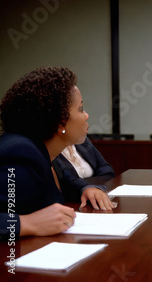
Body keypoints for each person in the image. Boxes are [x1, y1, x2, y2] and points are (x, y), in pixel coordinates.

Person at [0, 67, 115, 240]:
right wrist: (26, 223)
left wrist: (85, 188)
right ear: (61, 122)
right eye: (81, 109)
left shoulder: (43, 151)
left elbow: (65, 181)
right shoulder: (20, 154)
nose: (86, 115)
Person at [52, 137, 115, 209]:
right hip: (70, 204)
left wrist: (92, 187)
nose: (86, 126)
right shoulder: (50, 147)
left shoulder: (83, 141)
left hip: (96, 195)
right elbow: (68, 180)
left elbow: (107, 169)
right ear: (62, 127)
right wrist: (87, 186)